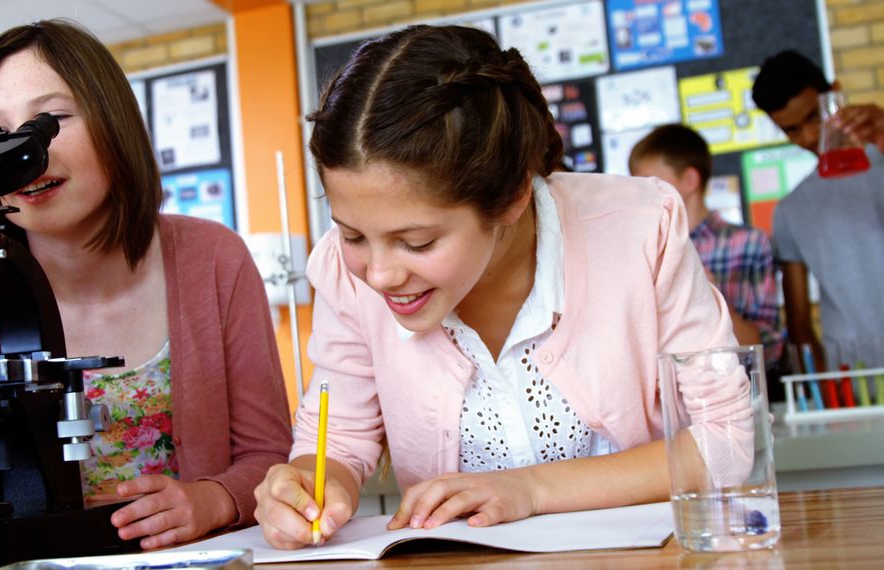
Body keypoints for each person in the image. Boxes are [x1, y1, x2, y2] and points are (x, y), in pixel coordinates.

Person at [254, 25, 748, 550]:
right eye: (353, 234)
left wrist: (531, 488)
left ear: (512, 197)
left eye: (416, 243)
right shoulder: (340, 273)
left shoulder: (642, 227)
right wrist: (309, 484)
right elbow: (340, 440)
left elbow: (728, 440)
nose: (378, 275)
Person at [0, 19, 292, 549]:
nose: (26, 152)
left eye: (50, 120)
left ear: (113, 121)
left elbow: (270, 457)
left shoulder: (212, 258)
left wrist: (215, 498)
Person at [752, 50, 884, 364]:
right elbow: (799, 324)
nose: (810, 136)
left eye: (814, 116)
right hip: (858, 378)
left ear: (835, 93)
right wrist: (823, 394)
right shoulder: (790, 210)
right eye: (791, 129)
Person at [628, 124, 781, 369]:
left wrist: (707, 294)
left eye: (651, 183)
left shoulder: (748, 242)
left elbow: (768, 350)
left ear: (690, 180)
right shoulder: (640, 250)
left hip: (735, 390)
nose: (640, 194)